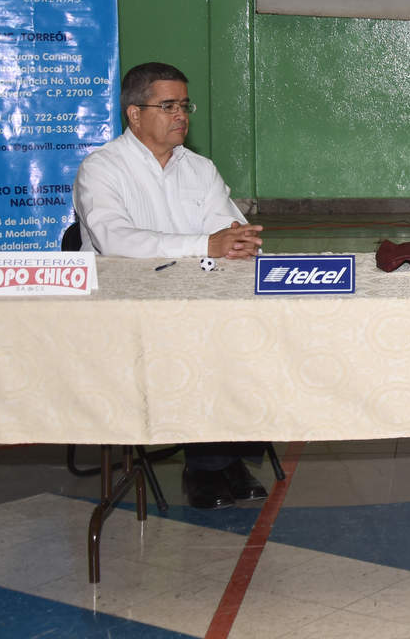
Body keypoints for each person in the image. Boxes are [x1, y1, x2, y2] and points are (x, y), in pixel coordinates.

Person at [73, 62, 269, 510]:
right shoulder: (101, 169)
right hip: (125, 307)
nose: (180, 115)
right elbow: (115, 240)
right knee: (196, 341)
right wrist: (207, 243)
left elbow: (227, 230)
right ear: (134, 114)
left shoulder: (199, 168)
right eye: (167, 106)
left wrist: (236, 242)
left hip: (193, 299)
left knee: (250, 329)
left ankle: (228, 458)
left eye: (184, 105)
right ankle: (207, 467)